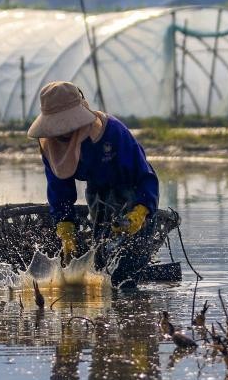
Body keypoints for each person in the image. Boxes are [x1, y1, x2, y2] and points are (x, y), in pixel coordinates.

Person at [27, 81, 159, 284]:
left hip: (133, 191)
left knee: (130, 260)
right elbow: (59, 187)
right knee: (103, 254)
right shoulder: (51, 144)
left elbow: (145, 175)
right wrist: (65, 227)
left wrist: (140, 211)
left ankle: (130, 287)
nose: (64, 132)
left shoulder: (111, 132)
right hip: (98, 193)